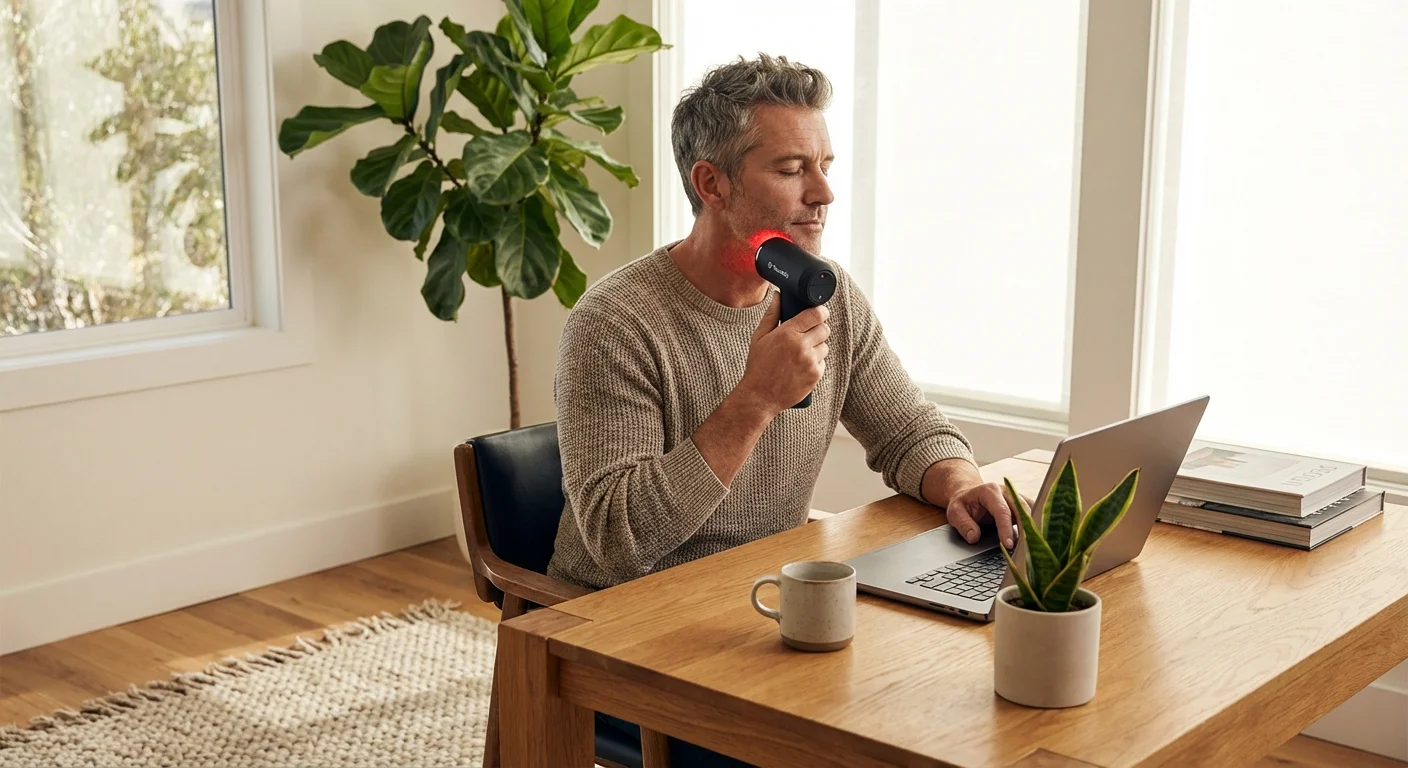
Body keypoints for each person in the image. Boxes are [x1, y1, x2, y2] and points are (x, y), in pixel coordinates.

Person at [544, 54, 1020, 766]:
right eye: (793, 169)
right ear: (712, 183)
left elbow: (909, 428)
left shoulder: (830, 297)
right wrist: (755, 400)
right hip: (629, 629)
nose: (824, 192)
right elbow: (618, 539)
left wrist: (960, 481)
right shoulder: (615, 323)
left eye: (824, 164)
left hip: (763, 603)